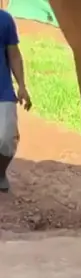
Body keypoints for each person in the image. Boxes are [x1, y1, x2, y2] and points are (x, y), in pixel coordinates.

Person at [0, 10, 32, 192]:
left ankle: (0, 172)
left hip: (3, 90)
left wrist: (21, 86)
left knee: (6, 138)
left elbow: (14, 55)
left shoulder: (5, 20)